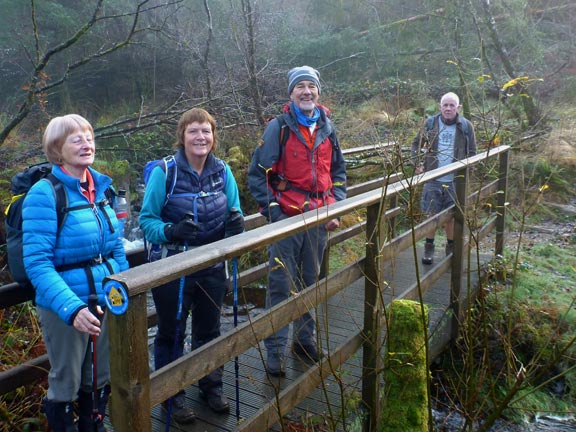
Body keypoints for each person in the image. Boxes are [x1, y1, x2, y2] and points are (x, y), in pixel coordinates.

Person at [22, 114, 129, 432]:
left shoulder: (102, 189)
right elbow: (37, 264)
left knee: (99, 378)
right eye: (76, 138)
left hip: (105, 301)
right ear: (57, 149)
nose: (86, 143)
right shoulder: (44, 194)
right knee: (66, 384)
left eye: (89, 136)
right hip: (66, 307)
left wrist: (127, 289)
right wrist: (73, 309)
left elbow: (116, 249)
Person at [139, 108, 244, 421]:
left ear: (214, 137)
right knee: (171, 331)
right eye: (193, 131)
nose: (201, 137)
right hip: (173, 266)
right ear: (182, 137)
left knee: (209, 329)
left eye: (206, 131)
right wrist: (171, 231)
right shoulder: (165, 172)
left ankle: (211, 385)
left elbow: (234, 210)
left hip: (212, 265)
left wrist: (235, 224)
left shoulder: (223, 170)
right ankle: (172, 395)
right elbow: (147, 221)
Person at [248, 65, 347, 377]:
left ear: (318, 92)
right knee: (280, 284)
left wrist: (336, 206)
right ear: (290, 93)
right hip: (287, 219)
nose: (307, 91)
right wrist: (274, 213)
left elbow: (339, 174)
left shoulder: (327, 128)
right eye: (300, 86)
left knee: (310, 281)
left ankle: (304, 342)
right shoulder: (278, 127)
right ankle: (276, 351)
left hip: (318, 218)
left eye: (311, 86)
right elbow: (257, 175)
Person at [411, 92, 477, 265]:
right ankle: (429, 248)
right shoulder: (430, 124)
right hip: (433, 178)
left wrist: (466, 174)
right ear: (440, 107)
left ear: (458, 108)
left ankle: (450, 247)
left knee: (452, 217)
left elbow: (473, 153)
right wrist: (417, 163)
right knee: (431, 215)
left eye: (451, 105)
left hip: (455, 181)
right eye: (445, 105)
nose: (448, 108)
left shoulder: (466, 126)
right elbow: (416, 144)